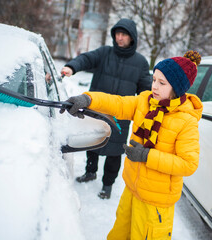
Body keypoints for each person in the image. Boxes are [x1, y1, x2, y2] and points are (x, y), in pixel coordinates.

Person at [60, 50, 203, 239]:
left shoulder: (186, 121)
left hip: (156, 203)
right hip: (132, 190)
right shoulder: (145, 101)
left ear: (176, 88)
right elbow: (117, 103)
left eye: (162, 83)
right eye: (154, 80)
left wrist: (146, 156)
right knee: (118, 234)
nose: (155, 87)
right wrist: (88, 99)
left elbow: (188, 164)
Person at [61, 18, 151, 199]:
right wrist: (72, 67)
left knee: (115, 151)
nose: (120, 37)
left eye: (124, 34)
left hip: (121, 114)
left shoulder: (140, 62)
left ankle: (107, 185)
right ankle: (90, 171)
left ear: (132, 37)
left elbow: (145, 89)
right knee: (92, 142)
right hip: (98, 108)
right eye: (117, 33)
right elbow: (87, 58)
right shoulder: (104, 53)